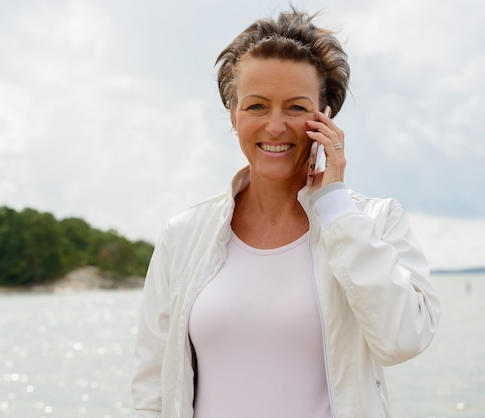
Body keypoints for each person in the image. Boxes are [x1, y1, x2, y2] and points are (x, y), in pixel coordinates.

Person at [131, 7, 441, 418]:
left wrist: (334, 204)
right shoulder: (183, 234)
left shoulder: (375, 222)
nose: (275, 126)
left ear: (325, 117)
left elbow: (403, 340)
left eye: (296, 108)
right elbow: (152, 390)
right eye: (257, 106)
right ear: (234, 115)